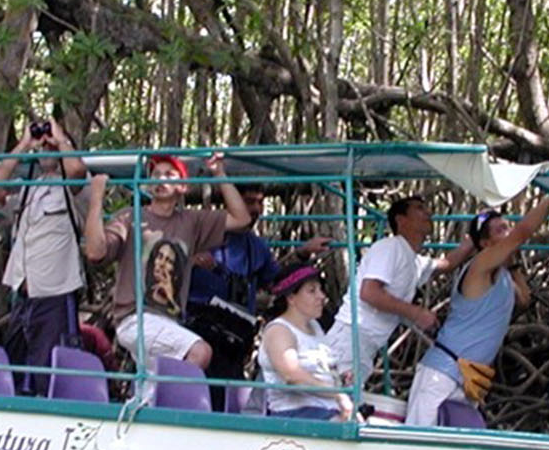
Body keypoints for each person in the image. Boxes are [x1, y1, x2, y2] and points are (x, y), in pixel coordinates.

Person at [82, 152, 252, 378]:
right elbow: (95, 252)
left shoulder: (191, 222)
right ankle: (174, 403)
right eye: (155, 174)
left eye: (169, 174)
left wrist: (219, 173)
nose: (160, 179)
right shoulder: (130, 217)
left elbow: (242, 219)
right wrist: (96, 198)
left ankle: (152, 405)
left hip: (168, 322)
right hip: (135, 318)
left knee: (155, 385)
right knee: (200, 352)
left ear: (182, 186)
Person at [403, 194, 549, 425]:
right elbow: (522, 232)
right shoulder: (479, 267)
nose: (508, 233)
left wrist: (512, 264)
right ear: (484, 245)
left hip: (469, 381)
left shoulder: (504, 276)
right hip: (441, 375)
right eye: (500, 231)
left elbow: (524, 300)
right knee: (418, 448)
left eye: (508, 227)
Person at [187, 183, 330, 399]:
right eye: (249, 202)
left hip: (237, 331)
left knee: (230, 390)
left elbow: (278, 284)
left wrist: (302, 253)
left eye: (260, 202)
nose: (255, 209)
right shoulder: (203, 235)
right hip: (201, 325)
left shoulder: (257, 247)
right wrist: (191, 262)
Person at [323, 194, 472, 389]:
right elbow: (369, 292)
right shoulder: (390, 247)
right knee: (331, 400)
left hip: (365, 343)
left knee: (341, 401)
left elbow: (446, 264)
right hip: (352, 338)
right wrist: (416, 312)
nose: (428, 213)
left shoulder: (413, 261)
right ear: (400, 220)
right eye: (419, 208)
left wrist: (469, 244)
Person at [0, 116, 88, 395]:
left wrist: (60, 139)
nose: (46, 148)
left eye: (50, 145)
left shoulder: (74, 188)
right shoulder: (29, 188)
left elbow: (77, 170)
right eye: (42, 147)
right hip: (23, 293)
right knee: (16, 369)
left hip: (55, 293)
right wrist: (24, 144)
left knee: (52, 371)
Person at [255, 265, 353, 421]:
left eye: (321, 290)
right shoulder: (279, 331)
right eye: (312, 291)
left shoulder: (315, 326)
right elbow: (292, 375)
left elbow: (321, 369)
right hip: (297, 414)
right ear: (291, 298)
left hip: (327, 409)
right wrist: (337, 393)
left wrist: (340, 379)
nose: (321, 296)